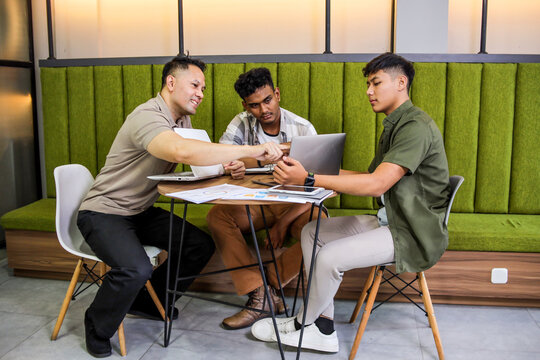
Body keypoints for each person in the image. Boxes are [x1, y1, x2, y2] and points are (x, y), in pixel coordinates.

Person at [77, 56, 284, 358]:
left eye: (203, 87)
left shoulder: (182, 120)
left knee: (198, 245)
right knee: (135, 269)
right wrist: (256, 151)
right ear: (171, 83)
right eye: (195, 85)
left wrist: (227, 165)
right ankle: (96, 326)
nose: (201, 92)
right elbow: (180, 150)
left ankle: (146, 303)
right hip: (104, 212)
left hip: (139, 211)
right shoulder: (147, 116)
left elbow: (196, 159)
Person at [250, 52, 451, 353]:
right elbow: (369, 176)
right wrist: (306, 168)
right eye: (368, 84)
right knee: (311, 232)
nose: (369, 91)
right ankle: (322, 325)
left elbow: (376, 185)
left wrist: (308, 179)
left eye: (376, 83)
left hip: (413, 232)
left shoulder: (415, 126)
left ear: (401, 82)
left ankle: (305, 323)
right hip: (392, 219)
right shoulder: (396, 124)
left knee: (330, 256)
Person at [206, 67, 326, 330]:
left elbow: (317, 188)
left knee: (322, 225)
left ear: (278, 94)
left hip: (296, 204)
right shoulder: (240, 123)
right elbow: (221, 157)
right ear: (245, 106)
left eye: (268, 100)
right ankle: (259, 293)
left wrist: (282, 225)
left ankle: (268, 285)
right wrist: (231, 165)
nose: (263, 110)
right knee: (217, 216)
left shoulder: (303, 128)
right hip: (255, 201)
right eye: (255, 105)